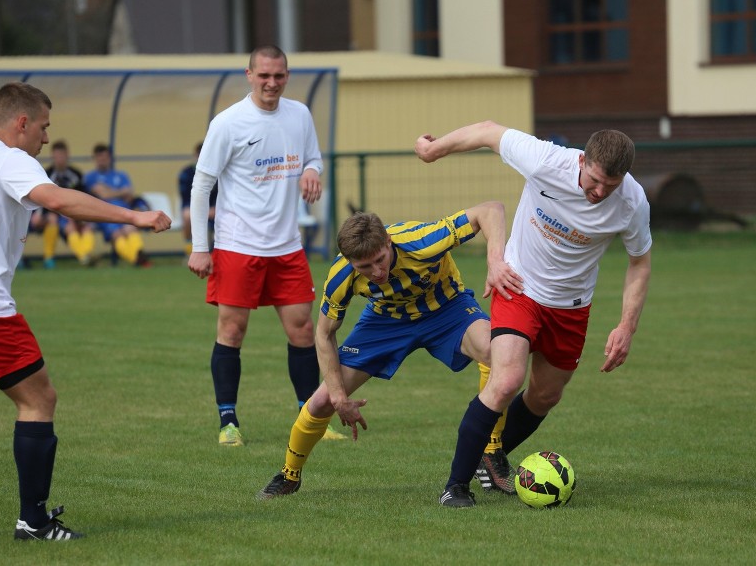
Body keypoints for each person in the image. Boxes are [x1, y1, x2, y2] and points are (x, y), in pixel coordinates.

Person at [0, 82, 171, 540]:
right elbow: (60, 200)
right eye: (44, 127)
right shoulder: (10, 158)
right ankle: (34, 521)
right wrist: (135, 217)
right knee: (38, 399)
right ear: (22, 123)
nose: (46, 139)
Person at [415, 121, 652, 507]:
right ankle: (455, 487)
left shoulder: (632, 202)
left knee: (546, 395)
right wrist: (435, 149)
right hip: (518, 288)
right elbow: (489, 133)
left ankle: (492, 455)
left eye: (610, 185)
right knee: (507, 380)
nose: (599, 192)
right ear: (582, 160)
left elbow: (639, 262)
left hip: (572, 307)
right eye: (593, 181)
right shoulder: (546, 160)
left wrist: (627, 326)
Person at [257, 201, 523, 499]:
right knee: (321, 402)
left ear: (388, 241)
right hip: (386, 322)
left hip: (447, 308)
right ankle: (289, 474)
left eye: (380, 260)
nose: (376, 271)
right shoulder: (341, 275)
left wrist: (495, 262)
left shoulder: (421, 240)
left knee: (497, 353)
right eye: (364, 267)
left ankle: (491, 450)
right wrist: (337, 395)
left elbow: (491, 210)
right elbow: (323, 334)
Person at [188, 45, 344, 446]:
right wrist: (200, 247)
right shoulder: (228, 123)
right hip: (238, 246)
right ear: (249, 75)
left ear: (287, 76)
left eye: (278, 76)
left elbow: (314, 158)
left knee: (304, 330)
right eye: (264, 76)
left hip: (287, 246)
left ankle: (309, 419)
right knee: (232, 330)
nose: (271, 83)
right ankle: (228, 423)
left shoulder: (300, 115)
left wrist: (311, 170)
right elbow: (202, 184)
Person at [84, 143, 152, 267]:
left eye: (104, 157)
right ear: (94, 159)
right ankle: (137, 260)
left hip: (124, 210)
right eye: (99, 158)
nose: (102, 161)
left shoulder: (121, 175)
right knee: (117, 235)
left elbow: (129, 195)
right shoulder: (90, 177)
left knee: (130, 229)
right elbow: (104, 195)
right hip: (104, 215)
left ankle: (139, 255)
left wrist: (109, 191)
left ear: (109, 158)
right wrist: (120, 191)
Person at [44, 140, 97, 266]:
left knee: (87, 226)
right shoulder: (46, 174)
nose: (60, 159)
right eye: (57, 155)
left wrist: (79, 215)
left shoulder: (76, 174)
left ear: (67, 155)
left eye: (62, 155)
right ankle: (49, 258)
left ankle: (86, 255)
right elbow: (43, 198)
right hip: (54, 212)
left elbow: (83, 196)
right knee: (66, 225)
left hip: (74, 212)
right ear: (52, 156)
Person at [178, 141, 217, 256]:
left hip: (215, 207)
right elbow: (185, 197)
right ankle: (190, 249)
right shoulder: (186, 173)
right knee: (187, 215)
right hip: (194, 206)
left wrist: (214, 208)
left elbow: (223, 193)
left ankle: (216, 251)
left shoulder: (218, 171)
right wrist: (201, 209)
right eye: (199, 154)